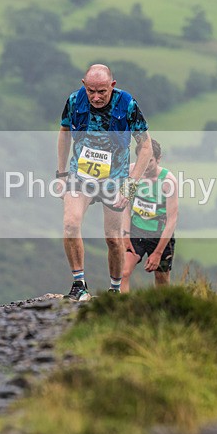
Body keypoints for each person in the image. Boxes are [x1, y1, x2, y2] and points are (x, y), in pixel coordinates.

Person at [57, 64, 153, 301]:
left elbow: (146, 146)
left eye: (102, 91)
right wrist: (61, 174)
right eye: (91, 91)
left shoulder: (128, 105)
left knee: (112, 238)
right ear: (83, 85)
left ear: (112, 86)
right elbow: (64, 132)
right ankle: (79, 284)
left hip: (115, 180)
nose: (96, 97)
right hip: (80, 177)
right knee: (70, 224)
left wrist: (131, 185)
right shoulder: (74, 101)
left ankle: (115, 290)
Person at [118, 139, 178, 292]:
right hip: (136, 230)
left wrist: (158, 253)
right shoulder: (132, 173)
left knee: (161, 279)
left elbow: (172, 220)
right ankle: (121, 310)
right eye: (141, 159)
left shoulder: (168, 181)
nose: (145, 164)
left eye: (150, 161)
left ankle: (161, 311)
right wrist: (125, 235)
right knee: (123, 272)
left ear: (158, 159)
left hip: (160, 235)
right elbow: (126, 205)